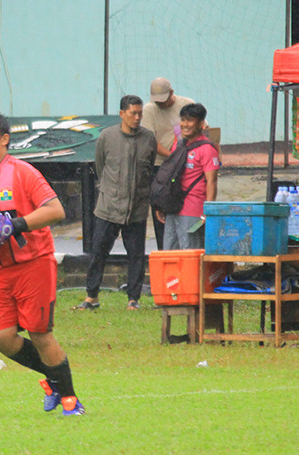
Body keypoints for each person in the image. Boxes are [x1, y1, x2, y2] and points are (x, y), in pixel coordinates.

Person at [0, 111, 85, 416]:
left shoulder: (23, 172)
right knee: (0, 337)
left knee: (40, 334)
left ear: (5, 139)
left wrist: (14, 225)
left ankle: (70, 400)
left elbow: (56, 210)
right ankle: (54, 379)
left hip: (34, 264)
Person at [77, 94, 156, 311]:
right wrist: (110, 191)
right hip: (108, 208)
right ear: (122, 114)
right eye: (133, 113)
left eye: (140, 113)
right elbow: (101, 167)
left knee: (136, 256)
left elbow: (148, 169)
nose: (137, 118)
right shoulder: (106, 136)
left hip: (137, 209)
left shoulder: (149, 138)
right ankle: (91, 297)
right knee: (98, 253)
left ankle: (133, 299)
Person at [155, 102, 220, 250]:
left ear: (201, 123)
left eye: (190, 120)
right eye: (183, 120)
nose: (185, 124)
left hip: (193, 211)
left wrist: (208, 212)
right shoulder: (178, 145)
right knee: (170, 253)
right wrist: (161, 204)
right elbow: (170, 176)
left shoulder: (207, 149)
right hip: (173, 208)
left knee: (190, 255)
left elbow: (212, 182)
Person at [141, 77, 195, 249]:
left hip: (185, 166)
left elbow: (202, 130)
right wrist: (172, 156)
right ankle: (164, 250)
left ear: (171, 93)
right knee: (161, 211)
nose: (161, 105)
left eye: (163, 101)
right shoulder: (149, 110)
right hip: (161, 167)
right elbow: (150, 140)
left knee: (185, 210)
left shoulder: (186, 104)